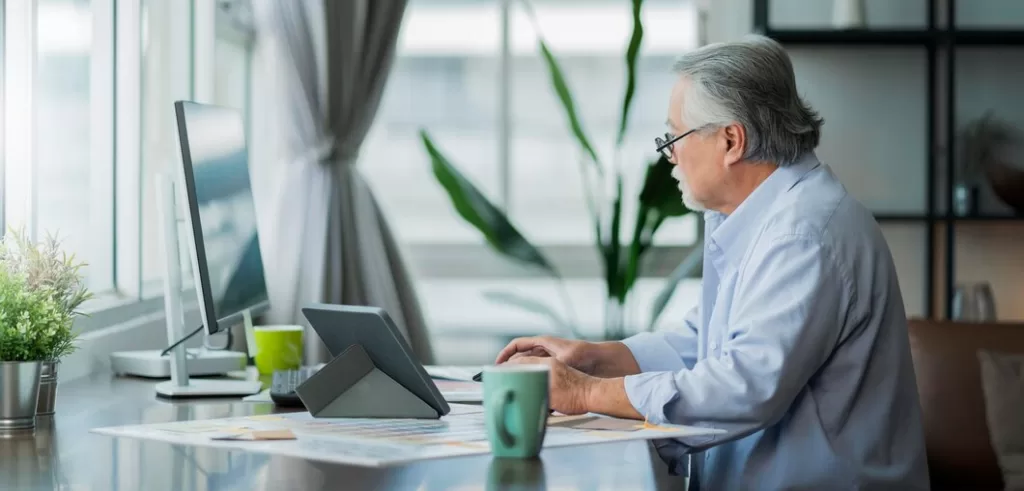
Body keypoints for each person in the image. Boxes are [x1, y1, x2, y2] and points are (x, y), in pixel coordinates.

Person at [495, 35, 930, 490]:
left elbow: (744, 385)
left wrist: (584, 393)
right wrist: (597, 359)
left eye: (674, 136)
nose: (669, 155)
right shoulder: (768, 217)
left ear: (730, 140)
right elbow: (707, 341)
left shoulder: (803, 236)